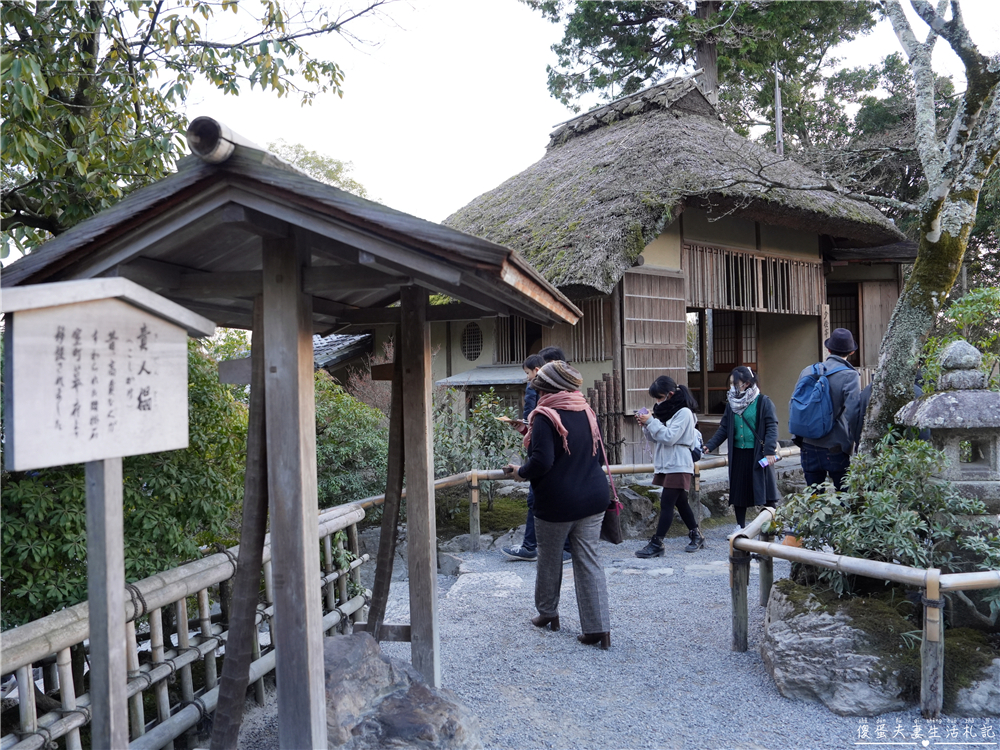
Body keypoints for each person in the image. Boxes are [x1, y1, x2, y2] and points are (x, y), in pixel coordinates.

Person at [506, 360, 612, 649]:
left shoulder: (544, 415)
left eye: (539, 388)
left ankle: (548, 613)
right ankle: (599, 629)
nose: (537, 393)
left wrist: (520, 472)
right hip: (594, 498)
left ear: (547, 390)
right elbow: (595, 453)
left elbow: (542, 461)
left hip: (558, 502)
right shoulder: (586, 410)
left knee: (550, 560)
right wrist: (528, 432)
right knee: (589, 562)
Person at [501, 347, 572, 563]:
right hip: (559, 462)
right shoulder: (572, 403)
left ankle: (544, 547)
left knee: (540, 498)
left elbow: (542, 455)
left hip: (555, 463)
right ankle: (544, 547)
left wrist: (523, 471)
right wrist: (525, 429)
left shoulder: (550, 407)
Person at [634, 376, 705, 557]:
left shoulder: (684, 413)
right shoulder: (665, 411)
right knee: (680, 502)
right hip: (667, 463)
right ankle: (696, 535)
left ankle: (657, 542)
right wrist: (646, 425)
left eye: (659, 397)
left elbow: (669, 437)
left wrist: (651, 422)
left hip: (679, 462)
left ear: (670, 394)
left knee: (666, 502)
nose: (658, 402)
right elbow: (655, 437)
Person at [703, 367, 781, 528]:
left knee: (765, 489)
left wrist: (769, 451)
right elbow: (724, 428)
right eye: (731, 383)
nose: (732, 386)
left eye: (735, 383)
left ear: (747, 383)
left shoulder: (763, 401)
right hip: (738, 453)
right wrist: (710, 445)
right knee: (739, 491)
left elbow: (772, 427)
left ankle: (770, 525)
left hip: (759, 453)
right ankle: (740, 525)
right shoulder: (731, 404)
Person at [792, 328, 861, 491]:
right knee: (844, 496)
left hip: (808, 444)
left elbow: (795, 403)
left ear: (828, 350)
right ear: (851, 352)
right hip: (836, 445)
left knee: (814, 497)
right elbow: (853, 413)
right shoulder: (850, 375)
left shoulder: (808, 371)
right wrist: (858, 440)